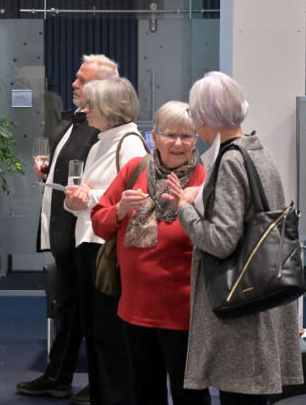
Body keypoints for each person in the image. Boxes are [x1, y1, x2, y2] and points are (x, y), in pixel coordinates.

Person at [164, 72, 303, 405]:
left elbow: (221, 240)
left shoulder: (230, 161)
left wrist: (185, 208)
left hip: (241, 308)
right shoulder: (257, 150)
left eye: (197, 115)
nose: (195, 123)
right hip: (263, 295)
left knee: (240, 397)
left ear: (206, 116)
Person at [91, 101, 211, 405]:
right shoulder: (135, 170)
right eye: (170, 135)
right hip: (135, 308)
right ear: (153, 137)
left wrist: (187, 207)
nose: (178, 143)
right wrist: (119, 210)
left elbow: (214, 239)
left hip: (184, 312)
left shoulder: (204, 179)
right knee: (144, 392)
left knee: (190, 396)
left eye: (187, 136)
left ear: (195, 139)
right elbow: (99, 224)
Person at [16, 54, 120, 404]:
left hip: (86, 237)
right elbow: (74, 170)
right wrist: (50, 173)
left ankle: (97, 385)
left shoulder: (106, 129)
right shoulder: (79, 122)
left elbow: (109, 186)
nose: (74, 84)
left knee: (92, 316)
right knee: (69, 310)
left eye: (82, 80)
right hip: (66, 233)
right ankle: (58, 376)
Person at [64, 77, 148, 405]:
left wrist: (87, 197)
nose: (85, 110)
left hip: (107, 247)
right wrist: (78, 200)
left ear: (110, 110)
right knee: (95, 329)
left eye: (91, 105)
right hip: (91, 241)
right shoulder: (102, 140)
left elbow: (134, 195)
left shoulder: (129, 143)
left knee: (109, 332)